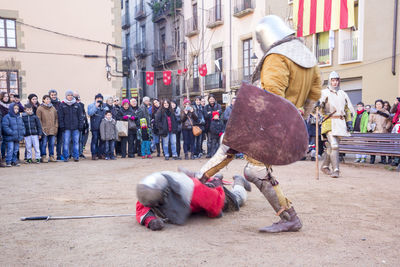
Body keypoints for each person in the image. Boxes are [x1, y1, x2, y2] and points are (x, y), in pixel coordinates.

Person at [186, 15, 322, 233]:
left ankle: (289, 217)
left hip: (268, 124)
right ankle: (201, 177)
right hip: (282, 124)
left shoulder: (278, 57)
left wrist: (278, 120)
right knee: (228, 142)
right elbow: (315, 94)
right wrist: (299, 117)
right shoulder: (308, 59)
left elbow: (272, 96)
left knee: (255, 171)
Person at [135, 171, 251, 231]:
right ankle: (215, 177)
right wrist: (150, 221)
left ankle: (239, 182)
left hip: (211, 192)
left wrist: (214, 212)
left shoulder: (192, 191)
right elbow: (142, 206)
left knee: (237, 199)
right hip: (199, 185)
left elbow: (216, 205)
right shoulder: (153, 189)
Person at [319, 71, 355, 178]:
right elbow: (319, 106)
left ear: (339, 81)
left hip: (340, 123)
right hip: (329, 121)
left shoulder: (343, 94)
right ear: (330, 81)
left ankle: (325, 166)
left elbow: (347, 109)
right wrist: (318, 104)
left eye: (336, 80)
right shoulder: (324, 92)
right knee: (334, 145)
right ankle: (336, 170)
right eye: (333, 80)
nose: (335, 82)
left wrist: (349, 121)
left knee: (331, 147)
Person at [58, 90, 84, 162]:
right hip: (66, 128)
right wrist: (62, 126)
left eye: (71, 95)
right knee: (66, 142)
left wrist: (80, 125)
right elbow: (60, 117)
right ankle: (66, 157)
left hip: (76, 128)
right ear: (66, 96)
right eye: (68, 95)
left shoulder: (77, 105)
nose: (70, 96)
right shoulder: (62, 105)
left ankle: (76, 156)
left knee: (76, 142)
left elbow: (80, 117)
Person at [368, 99, 392, 164]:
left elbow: (389, 121)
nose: (378, 105)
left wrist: (386, 128)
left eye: (379, 104)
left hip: (383, 131)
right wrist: (369, 128)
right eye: (377, 104)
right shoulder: (373, 112)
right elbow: (369, 121)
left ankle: (383, 160)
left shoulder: (386, 112)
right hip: (375, 131)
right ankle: (372, 159)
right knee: (373, 146)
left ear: (382, 105)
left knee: (383, 146)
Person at [36, 95, 58, 163]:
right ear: (43, 100)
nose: (48, 100)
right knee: (44, 144)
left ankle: (51, 156)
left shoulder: (53, 108)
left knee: (51, 144)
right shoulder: (40, 108)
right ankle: (43, 156)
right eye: (47, 99)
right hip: (44, 130)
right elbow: (38, 120)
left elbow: (56, 118)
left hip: (52, 129)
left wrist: (56, 127)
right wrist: (41, 129)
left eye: (49, 99)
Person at [88, 93, 106, 160]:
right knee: (94, 141)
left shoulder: (104, 106)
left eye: (100, 98)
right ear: (95, 99)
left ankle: (100, 154)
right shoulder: (91, 105)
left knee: (102, 141)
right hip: (94, 127)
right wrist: (96, 106)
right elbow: (90, 113)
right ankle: (94, 154)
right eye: (98, 98)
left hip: (102, 127)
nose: (99, 100)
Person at [49, 89, 63, 161]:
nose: (53, 96)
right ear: (49, 95)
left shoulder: (60, 104)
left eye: (55, 95)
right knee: (51, 142)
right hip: (51, 126)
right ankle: (51, 156)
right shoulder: (48, 104)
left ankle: (59, 155)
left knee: (59, 141)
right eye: (52, 95)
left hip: (59, 125)